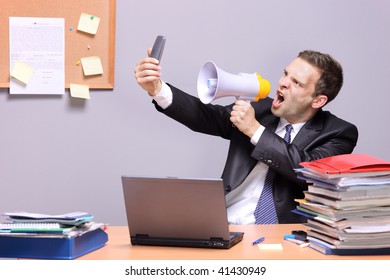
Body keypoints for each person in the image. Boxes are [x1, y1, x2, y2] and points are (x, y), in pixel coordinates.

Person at [134, 49, 358, 224]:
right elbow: (205, 117)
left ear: (318, 100)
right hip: (228, 224)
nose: (283, 83)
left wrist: (254, 130)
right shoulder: (260, 109)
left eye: (296, 82)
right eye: (285, 73)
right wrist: (157, 89)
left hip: (285, 234)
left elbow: (305, 170)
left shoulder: (339, 133)